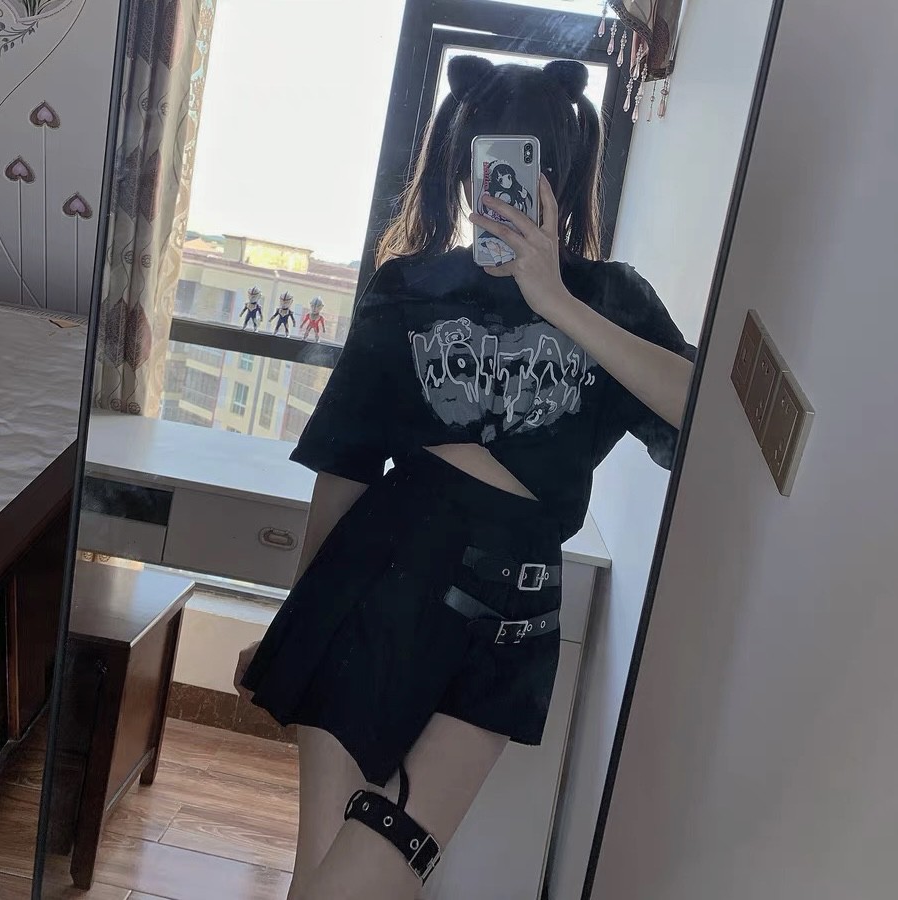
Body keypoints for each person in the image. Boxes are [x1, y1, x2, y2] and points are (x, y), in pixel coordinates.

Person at [234, 55, 696, 900]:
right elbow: (344, 464)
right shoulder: (408, 287)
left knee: (374, 876)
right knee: (325, 877)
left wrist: (555, 300)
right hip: (378, 580)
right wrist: (295, 620)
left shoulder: (611, 300)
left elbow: (704, 421)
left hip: (513, 610)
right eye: (491, 167)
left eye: (525, 169)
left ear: (562, 175)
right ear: (465, 166)